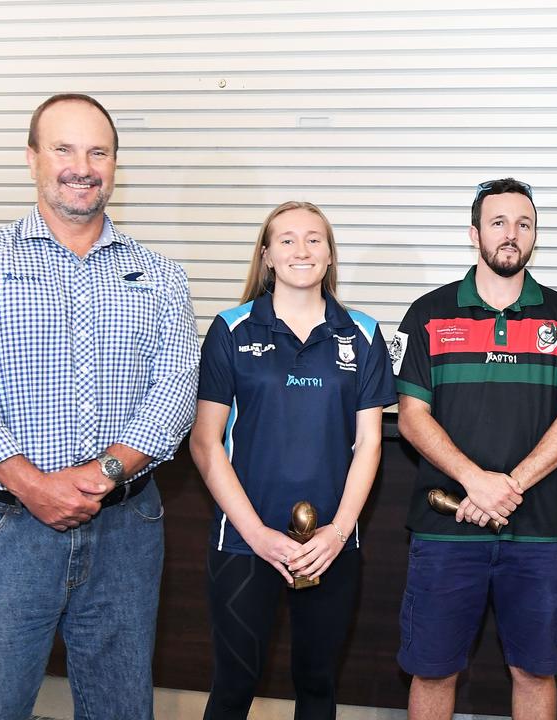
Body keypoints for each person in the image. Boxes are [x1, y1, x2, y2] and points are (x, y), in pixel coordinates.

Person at [0, 93, 199, 719]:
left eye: (98, 151)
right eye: (64, 148)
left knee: (122, 708)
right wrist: (29, 483)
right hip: (1, 529)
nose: (83, 165)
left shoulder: (160, 275)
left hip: (126, 531)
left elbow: (177, 388)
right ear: (31, 159)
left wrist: (100, 475)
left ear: (115, 165)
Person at [393, 178, 557, 720]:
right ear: (474, 233)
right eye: (499, 222)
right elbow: (412, 418)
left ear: (534, 237)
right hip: (443, 531)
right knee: (433, 670)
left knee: (535, 671)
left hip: (536, 531)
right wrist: (475, 480)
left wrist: (506, 488)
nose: (512, 235)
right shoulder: (429, 313)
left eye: (524, 224)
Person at [190, 200, 393, 718]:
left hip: (329, 545)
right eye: (287, 240)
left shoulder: (365, 335)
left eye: (314, 239)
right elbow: (205, 442)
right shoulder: (231, 330)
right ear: (266, 257)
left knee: (318, 686)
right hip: (242, 542)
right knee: (234, 685)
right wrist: (257, 535)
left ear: (329, 256)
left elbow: (369, 443)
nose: (301, 250)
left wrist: (338, 531)